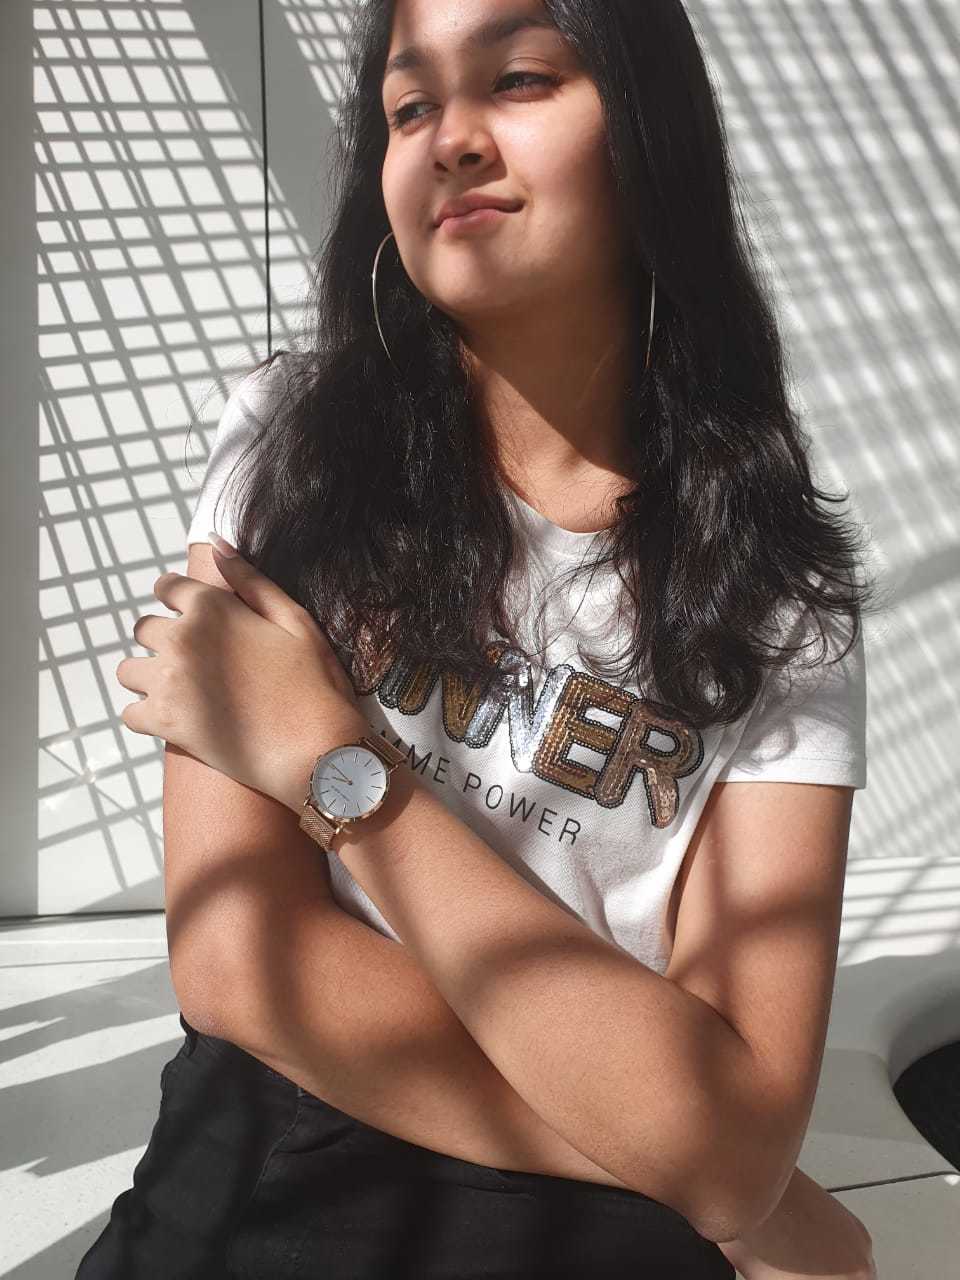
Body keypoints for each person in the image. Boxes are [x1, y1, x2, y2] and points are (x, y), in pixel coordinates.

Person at [77, 0, 883, 1276]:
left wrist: (333, 765)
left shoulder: (781, 592)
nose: (450, 138)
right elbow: (236, 960)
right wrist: (714, 1170)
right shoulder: (293, 446)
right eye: (410, 107)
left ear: (649, 130)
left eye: (517, 80)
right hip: (272, 1159)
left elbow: (737, 1130)